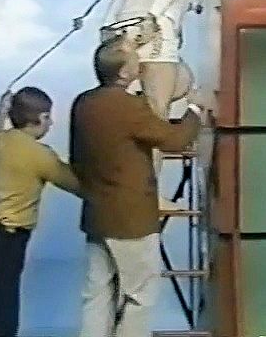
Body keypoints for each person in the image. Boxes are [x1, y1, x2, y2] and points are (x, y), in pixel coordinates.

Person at [70, 35, 209, 337]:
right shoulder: (130, 107)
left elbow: (78, 161)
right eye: (135, 57)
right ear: (123, 72)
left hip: (97, 216)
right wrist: (195, 109)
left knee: (97, 296)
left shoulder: (83, 103)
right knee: (140, 295)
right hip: (131, 220)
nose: (141, 61)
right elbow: (174, 140)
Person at [0, 87, 81, 337]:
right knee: (2, 324)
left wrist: (2, 111)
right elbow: (78, 186)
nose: (51, 123)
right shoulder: (40, 154)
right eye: (48, 117)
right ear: (40, 118)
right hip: (8, 243)